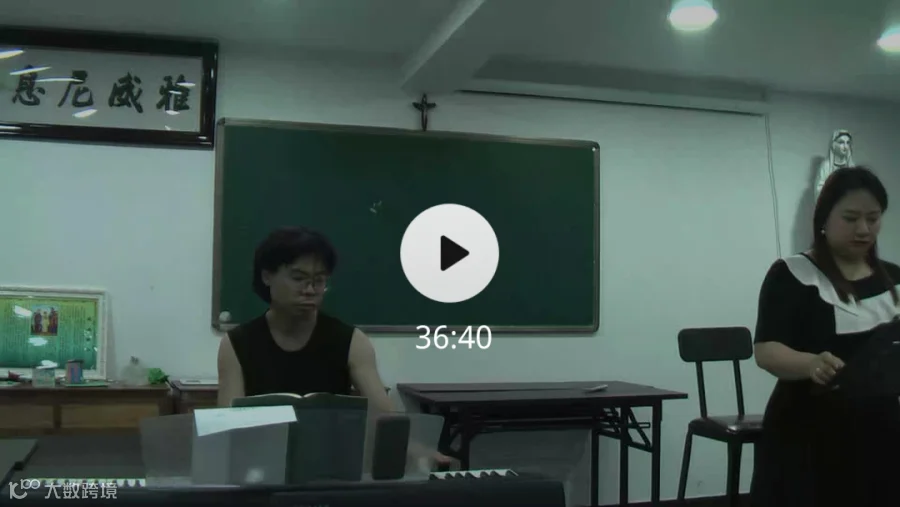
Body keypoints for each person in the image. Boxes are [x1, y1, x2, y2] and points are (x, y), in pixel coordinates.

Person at [217, 226, 451, 465]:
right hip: (260, 465)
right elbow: (227, 429)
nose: (310, 290)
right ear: (267, 276)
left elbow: (384, 413)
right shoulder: (236, 344)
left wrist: (414, 448)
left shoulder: (351, 340)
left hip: (331, 466)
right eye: (298, 279)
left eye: (318, 281)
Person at [751, 167, 900, 507]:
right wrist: (810, 363)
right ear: (823, 219)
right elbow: (766, 350)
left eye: (873, 218)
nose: (863, 229)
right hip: (807, 431)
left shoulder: (894, 279)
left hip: (880, 429)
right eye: (850, 218)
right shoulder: (792, 274)